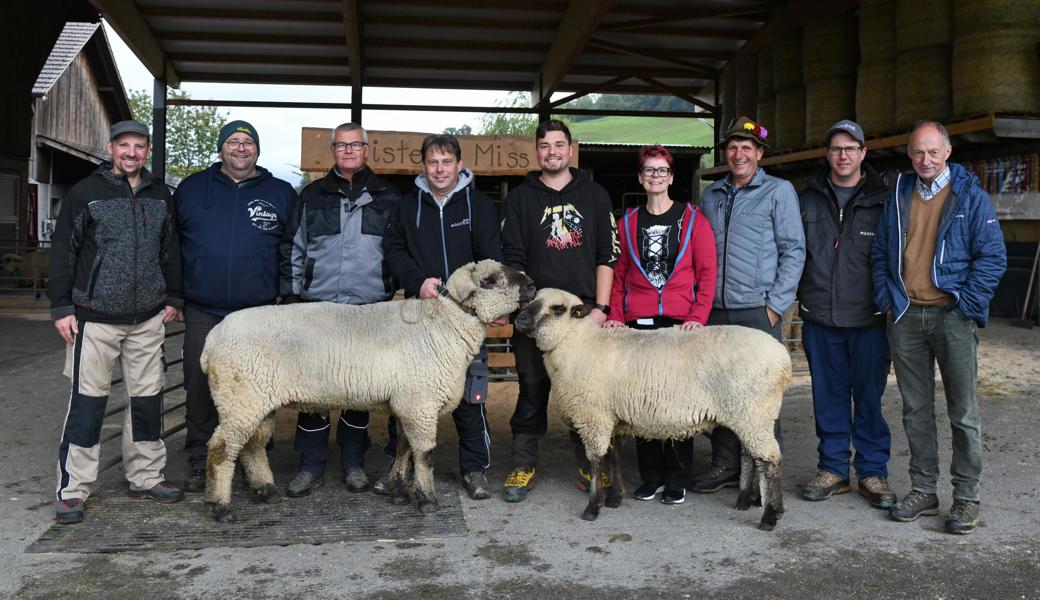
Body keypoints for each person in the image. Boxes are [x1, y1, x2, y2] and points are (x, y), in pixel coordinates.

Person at [871, 120, 1006, 535]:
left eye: (932, 152)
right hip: (907, 315)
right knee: (915, 410)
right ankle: (924, 489)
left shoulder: (970, 195)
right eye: (917, 152)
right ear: (909, 155)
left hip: (952, 316)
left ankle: (966, 498)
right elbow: (880, 253)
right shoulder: (898, 194)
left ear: (947, 152)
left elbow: (992, 257)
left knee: (963, 412)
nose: (925, 160)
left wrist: (966, 305)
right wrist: (888, 299)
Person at [48, 120, 184, 524]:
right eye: (124, 145)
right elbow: (63, 251)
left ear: (147, 150)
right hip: (94, 317)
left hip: (147, 317)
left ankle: (146, 475)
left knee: (147, 401)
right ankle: (73, 488)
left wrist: (172, 296)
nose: (131, 153)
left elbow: (170, 248)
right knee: (88, 404)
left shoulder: (161, 195)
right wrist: (61, 307)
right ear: (111, 147)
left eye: (139, 146)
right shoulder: (85, 193)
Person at [174, 120, 298, 493]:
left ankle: (252, 455)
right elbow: (172, 247)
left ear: (257, 150)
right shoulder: (192, 189)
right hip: (203, 307)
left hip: (256, 312)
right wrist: (174, 295)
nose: (241, 148)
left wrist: (289, 297)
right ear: (221, 148)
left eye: (248, 142)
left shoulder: (281, 193)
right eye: (233, 141)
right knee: (200, 382)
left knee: (258, 386)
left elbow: (291, 249)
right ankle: (201, 456)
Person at [500, 119, 619, 502]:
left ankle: (590, 465)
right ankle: (523, 464)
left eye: (558, 144)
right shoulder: (520, 198)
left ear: (570, 150)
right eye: (544, 146)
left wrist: (600, 307)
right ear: (537, 152)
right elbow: (514, 261)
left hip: (580, 319)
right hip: (536, 317)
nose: (552, 151)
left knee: (583, 394)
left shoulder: (595, 194)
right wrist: (523, 311)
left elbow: (606, 254)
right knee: (532, 390)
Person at [281, 122, 400, 497]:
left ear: (367, 150)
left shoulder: (388, 196)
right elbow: (294, 249)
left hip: (368, 310)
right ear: (332, 151)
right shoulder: (311, 195)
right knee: (313, 391)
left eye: (356, 145)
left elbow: (398, 251)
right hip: (319, 309)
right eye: (341, 145)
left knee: (358, 391)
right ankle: (311, 465)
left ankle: (353, 462)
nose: (349, 151)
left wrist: (390, 290)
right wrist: (292, 299)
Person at [382, 133, 503, 500]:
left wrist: (485, 304)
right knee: (407, 392)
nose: (439, 169)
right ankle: (398, 468)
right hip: (420, 316)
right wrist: (417, 282)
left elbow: (490, 261)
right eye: (433, 162)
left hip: (465, 320)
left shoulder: (478, 205)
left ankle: (474, 469)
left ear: (459, 165)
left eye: (446, 162)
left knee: (470, 395)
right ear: (423, 166)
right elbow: (393, 249)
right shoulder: (406, 207)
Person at [695, 116, 805, 494]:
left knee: (758, 393)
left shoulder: (779, 192)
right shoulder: (711, 195)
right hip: (715, 309)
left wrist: (774, 305)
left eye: (747, 148)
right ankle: (724, 464)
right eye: (732, 147)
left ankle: (761, 468)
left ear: (759, 153)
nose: (738, 154)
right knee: (718, 390)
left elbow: (794, 251)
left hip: (756, 310)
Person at [603, 145, 717, 505]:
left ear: (671, 177)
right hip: (638, 326)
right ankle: (650, 477)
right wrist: (616, 318)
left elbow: (707, 273)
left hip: (678, 325)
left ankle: (676, 478)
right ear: (640, 177)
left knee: (676, 401)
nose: (655, 176)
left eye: (662, 170)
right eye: (649, 170)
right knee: (642, 401)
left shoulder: (692, 220)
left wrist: (698, 316)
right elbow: (618, 277)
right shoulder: (627, 224)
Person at [797, 119, 896, 508]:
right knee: (828, 396)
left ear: (863, 154)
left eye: (851, 148)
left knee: (869, 397)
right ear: (828, 154)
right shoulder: (807, 198)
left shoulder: (885, 199)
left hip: (869, 319)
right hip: (820, 316)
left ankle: (872, 472)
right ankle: (834, 469)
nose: (843, 155)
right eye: (837, 148)